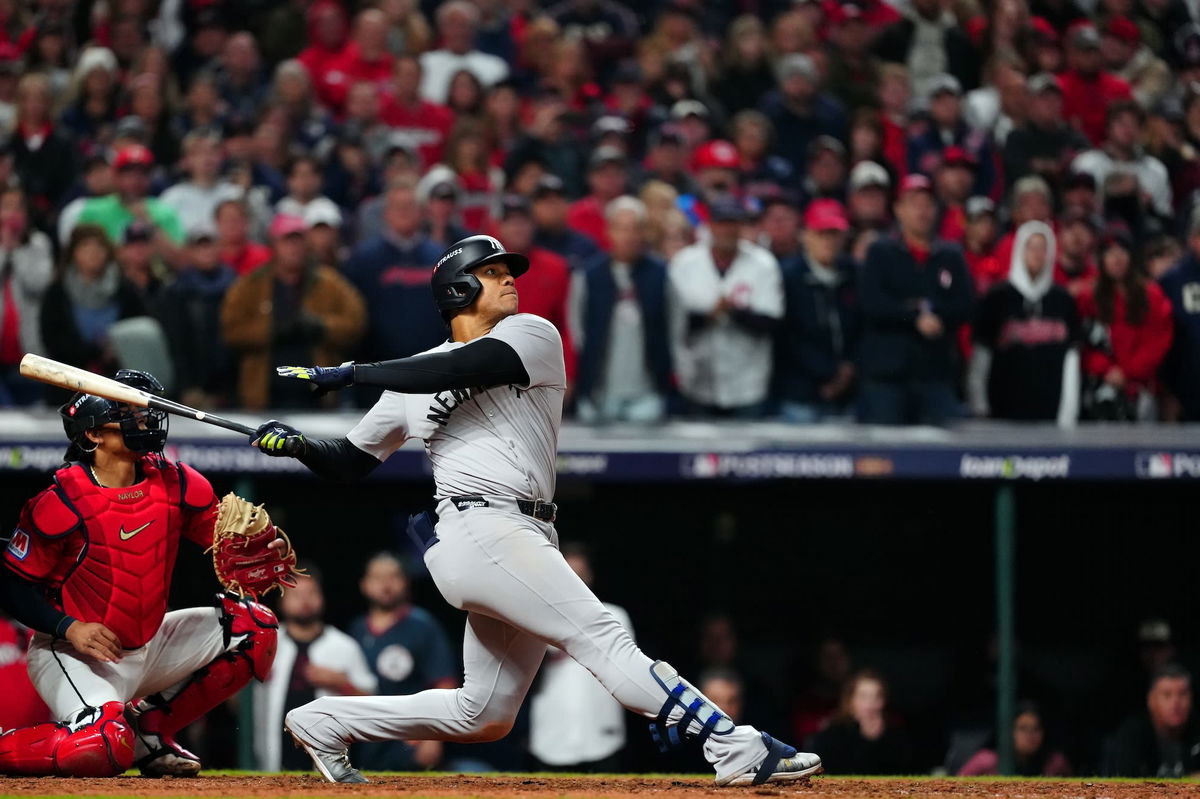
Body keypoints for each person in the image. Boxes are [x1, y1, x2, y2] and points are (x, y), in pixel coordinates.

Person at [250, 233, 821, 786]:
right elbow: (351, 461)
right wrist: (299, 445)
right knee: (602, 635)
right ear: (456, 290)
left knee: (484, 715)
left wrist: (350, 373)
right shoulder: (408, 381)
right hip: (480, 529)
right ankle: (733, 746)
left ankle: (326, 721)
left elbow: (455, 368)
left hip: (525, 532)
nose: (508, 282)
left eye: (507, 272)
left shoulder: (529, 334)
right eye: (492, 273)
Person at [0, 370, 280, 777]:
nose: (145, 421)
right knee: (100, 748)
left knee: (255, 629)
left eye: (144, 413)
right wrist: (69, 627)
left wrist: (257, 545)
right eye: (128, 414)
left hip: (148, 644)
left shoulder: (176, 481)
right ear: (94, 435)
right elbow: (12, 586)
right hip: (75, 652)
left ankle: (149, 732)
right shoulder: (61, 500)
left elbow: (226, 545)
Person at [858, 175, 973, 425]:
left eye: (928, 204)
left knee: (944, 455)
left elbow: (964, 304)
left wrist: (934, 315)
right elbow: (872, 303)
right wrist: (914, 317)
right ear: (898, 209)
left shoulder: (950, 255)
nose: (922, 211)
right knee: (886, 454)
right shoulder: (880, 251)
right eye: (914, 203)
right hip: (887, 377)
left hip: (936, 373)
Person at [220, 214, 366, 410]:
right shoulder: (250, 285)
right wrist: (271, 330)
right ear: (273, 245)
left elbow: (356, 323)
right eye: (287, 241)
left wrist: (321, 327)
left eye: (299, 240)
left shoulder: (331, 283)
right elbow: (230, 331)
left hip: (318, 398)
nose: (294, 247)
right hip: (263, 398)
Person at [668, 196, 784, 418]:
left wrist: (732, 311)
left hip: (747, 382)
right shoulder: (685, 263)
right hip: (695, 380)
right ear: (709, 225)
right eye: (722, 223)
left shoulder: (763, 264)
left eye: (733, 223)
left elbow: (772, 323)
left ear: (742, 226)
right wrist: (709, 315)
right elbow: (672, 323)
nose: (727, 230)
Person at [254, 571, 376, 773]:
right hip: (269, 760)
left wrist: (341, 684)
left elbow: (372, 703)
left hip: (330, 761)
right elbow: (236, 705)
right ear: (282, 601)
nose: (305, 600)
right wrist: (253, 679)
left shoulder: (344, 646)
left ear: (322, 598)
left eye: (311, 593)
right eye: (296, 594)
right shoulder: (264, 643)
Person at [528, 543, 633, 772]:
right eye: (567, 575)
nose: (574, 582)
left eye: (580, 575)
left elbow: (628, 676)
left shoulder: (614, 617)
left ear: (590, 577)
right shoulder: (535, 618)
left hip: (602, 738)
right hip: (550, 739)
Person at [570, 197, 673, 424]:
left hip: (647, 396)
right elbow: (576, 329)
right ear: (609, 231)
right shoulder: (588, 275)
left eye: (636, 228)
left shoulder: (661, 275)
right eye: (622, 228)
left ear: (645, 232)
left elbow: (675, 326)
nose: (629, 236)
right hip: (599, 394)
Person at [349, 553, 455, 771]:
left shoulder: (423, 626)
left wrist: (433, 738)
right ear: (364, 585)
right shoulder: (356, 629)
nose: (385, 584)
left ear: (405, 583)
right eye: (377, 578)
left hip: (409, 741)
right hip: (366, 741)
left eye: (393, 577)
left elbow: (444, 685)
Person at [968, 221, 1081, 424]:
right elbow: (981, 355)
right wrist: (979, 404)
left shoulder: (1063, 299)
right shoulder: (997, 297)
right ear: (1020, 249)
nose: (1037, 254)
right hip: (1002, 411)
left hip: (1050, 410)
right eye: (1031, 246)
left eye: (1042, 247)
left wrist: (1069, 410)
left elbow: (1071, 358)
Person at [775, 199, 860, 423]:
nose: (829, 242)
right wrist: (828, 375)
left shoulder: (854, 274)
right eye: (822, 233)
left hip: (848, 392)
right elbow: (787, 337)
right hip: (800, 392)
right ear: (805, 235)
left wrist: (847, 371)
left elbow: (863, 328)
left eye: (835, 234)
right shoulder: (788, 276)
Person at [1077, 230, 1174, 421]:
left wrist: (1127, 371)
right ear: (1101, 259)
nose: (1117, 259)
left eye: (1122, 252)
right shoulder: (1088, 297)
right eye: (1110, 253)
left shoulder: (1151, 295)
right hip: (1099, 386)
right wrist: (1105, 369)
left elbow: (1159, 340)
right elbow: (1081, 342)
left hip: (1140, 389)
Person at [39, 225, 146, 383]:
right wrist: (90, 353)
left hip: (121, 380)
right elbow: (52, 339)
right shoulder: (57, 293)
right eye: (85, 246)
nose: (93, 252)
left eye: (99, 246)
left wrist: (119, 349)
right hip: (69, 382)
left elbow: (139, 329)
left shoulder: (126, 290)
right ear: (73, 253)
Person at [158, 223, 238, 409]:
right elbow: (175, 344)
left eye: (209, 245)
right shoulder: (176, 292)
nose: (206, 251)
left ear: (219, 248)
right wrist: (187, 387)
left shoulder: (236, 288)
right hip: (194, 388)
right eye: (199, 246)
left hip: (232, 387)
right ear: (189, 252)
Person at [75, 145, 184, 263]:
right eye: (128, 173)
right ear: (115, 176)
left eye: (142, 173)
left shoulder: (165, 212)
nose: (135, 179)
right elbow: (80, 258)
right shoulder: (93, 210)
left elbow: (180, 263)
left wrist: (148, 222)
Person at [0, 185, 53, 405]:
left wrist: (16, 249)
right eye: (7, 207)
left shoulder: (39, 244)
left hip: (29, 349)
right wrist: (4, 249)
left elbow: (38, 284)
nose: (13, 213)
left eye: (19, 207)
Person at [806, 669, 914, 775]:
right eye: (863, 696)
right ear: (850, 701)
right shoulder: (830, 736)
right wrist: (865, 741)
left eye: (877, 696)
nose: (870, 703)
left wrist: (877, 741)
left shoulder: (896, 736)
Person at [1105, 664, 1200, 777]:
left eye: (1182, 694)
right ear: (1151, 700)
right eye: (1167, 695)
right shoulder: (1132, 734)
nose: (1176, 703)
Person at [419, 2, 509, 104]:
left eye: (464, 25)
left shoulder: (495, 66)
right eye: (452, 25)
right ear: (442, 29)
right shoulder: (425, 63)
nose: (458, 31)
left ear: (474, 29)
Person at [159, 131, 243, 237]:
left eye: (213, 152)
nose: (207, 157)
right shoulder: (172, 198)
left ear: (221, 157)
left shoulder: (234, 194)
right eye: (199, 153)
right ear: (186, 161)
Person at [958, 701, 1072, 776]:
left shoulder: (1055, 763)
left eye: (1036, 729)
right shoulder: (986, 761)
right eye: (1023, 728)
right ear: (1009, 732)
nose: (1030, 735)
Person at [1160, 211, 1200, 420]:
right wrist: (1166, 392)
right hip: (1185, 392)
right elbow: (1162, 339)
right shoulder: (1172, 281)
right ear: (1193, 239)